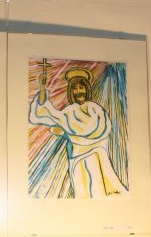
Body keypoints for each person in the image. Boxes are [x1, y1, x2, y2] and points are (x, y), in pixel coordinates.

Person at [29, 65, 127, 198]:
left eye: (81, 87)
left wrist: (68, 132)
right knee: (83, 190)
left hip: (96, 155)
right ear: (71, 91)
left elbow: (100, 129)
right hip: (77, 158)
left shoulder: (95, 109)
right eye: (75, 88)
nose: (78, 91)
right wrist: (42, 89)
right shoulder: (69, 111)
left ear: (86, 89)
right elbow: (47, 114)